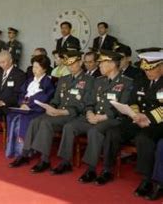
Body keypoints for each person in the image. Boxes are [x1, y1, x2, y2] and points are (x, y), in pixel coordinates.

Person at [52, 50, 132, 184]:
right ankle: (66, 162)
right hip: (93, 116)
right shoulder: (99, 81)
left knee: (95, 131)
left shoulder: (126, 82)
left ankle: (93, 169)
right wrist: (89, 113)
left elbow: (123, 107)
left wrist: (101, 117)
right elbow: (89, 102)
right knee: (70, 126)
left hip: (111, 119)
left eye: (101, 63)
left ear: (112, 64)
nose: (99, 66)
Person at [9, 51, 94, 172]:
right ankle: (25, 153)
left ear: (80, 62)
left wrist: (62, 112)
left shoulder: (89, 80)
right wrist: (51, 107)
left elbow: (85, 103)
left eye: (73, 63)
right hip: (57, 112)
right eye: (67, 64)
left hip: (72, 115)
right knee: (36, 121)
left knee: (46, 123)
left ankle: (45, 160)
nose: (70, 66)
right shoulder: (64, 79)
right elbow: (56, 99)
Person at [105, 50, 162, 197]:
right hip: (138, 118)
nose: (147, 72)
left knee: (143, 139)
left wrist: (147, 118)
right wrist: (136, 114)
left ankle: (146, 179)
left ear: (161, 67)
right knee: (114, 132)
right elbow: (132, 100)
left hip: (158, 123)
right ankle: (107, 169)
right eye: (145, 69)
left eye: (151, 69)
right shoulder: (140, 79)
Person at [6, 55, 55, 158]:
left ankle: (24, 152)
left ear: (44, 68)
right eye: (33, 67)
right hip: (25, 108)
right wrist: (22, 103)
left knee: (22, 120)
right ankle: (12, 149)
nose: (34, 70)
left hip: (36, 110)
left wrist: (28, 104)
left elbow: (45, 97)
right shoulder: (29, 80)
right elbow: (21, 93)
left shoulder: (48, 82)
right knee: (11, 116)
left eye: (37, 67)